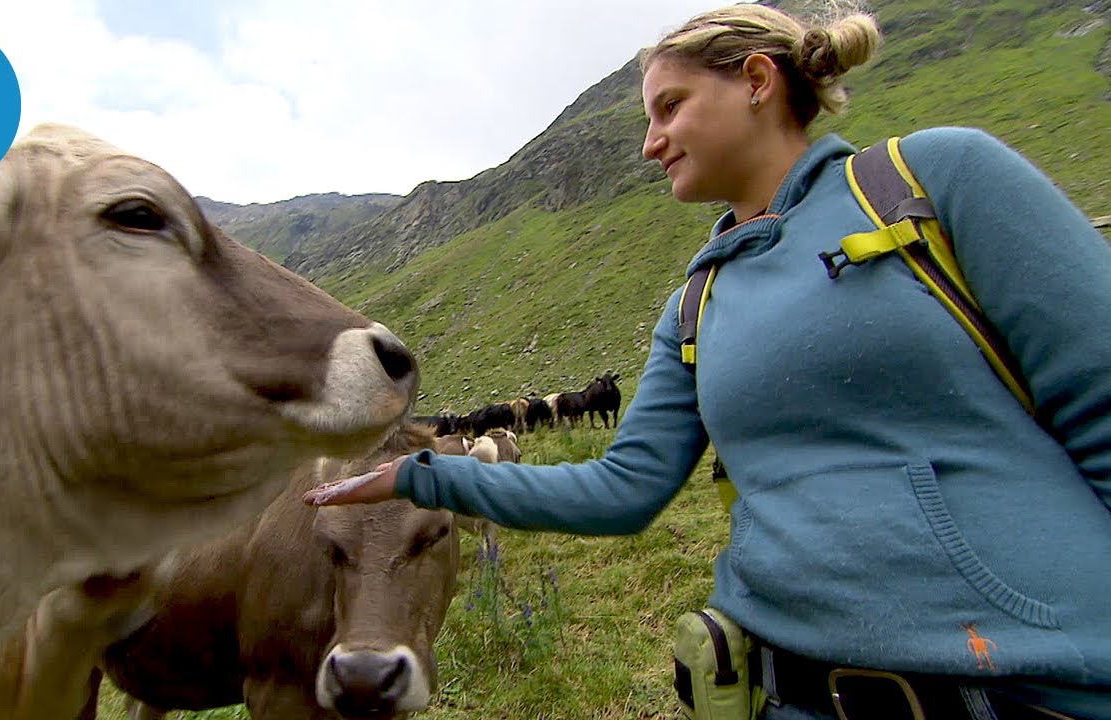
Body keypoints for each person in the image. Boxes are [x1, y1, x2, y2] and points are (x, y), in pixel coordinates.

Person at [304, 3, 1111, 718]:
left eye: (670, 107)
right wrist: (422, 477)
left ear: (757, 80)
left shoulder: (931, 180)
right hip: (785, 691)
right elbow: (622, 490)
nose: (650, 143)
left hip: (1025, 686)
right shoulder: (696, 301)